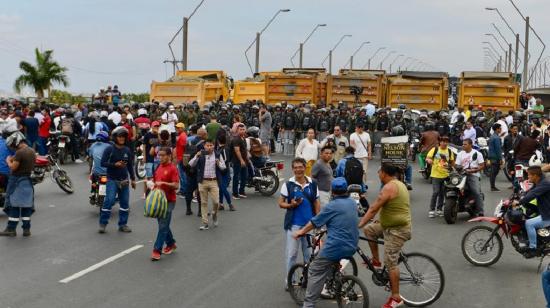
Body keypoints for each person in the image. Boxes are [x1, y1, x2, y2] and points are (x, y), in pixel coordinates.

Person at [293, 177, 359, 308]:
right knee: (329, 263)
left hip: (335, 247)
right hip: (352, 245)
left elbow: (314, 222)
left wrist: (301, 232)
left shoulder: (331, 206)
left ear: (332, 192)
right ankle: (334, 283)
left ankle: (309, 304)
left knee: (315, 269)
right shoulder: (352, 203)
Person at [359, 164, 411, 308]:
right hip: (389, 226)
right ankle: (375, 260)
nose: (378, 174)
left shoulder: (389, 187)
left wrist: (359, 224)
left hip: (397, 230)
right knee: (370, 230)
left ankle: (396, 298)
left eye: (379, 171)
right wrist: (380, 220)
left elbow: (373, 208)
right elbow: (395, 207)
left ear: (384, 173)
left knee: (390, 263)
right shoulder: (399, 184)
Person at [278, 158, 320, 289]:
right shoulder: (288, 184)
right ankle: (290, 281)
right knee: (291, 255)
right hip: (294, 226)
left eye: (300, 167)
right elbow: (280, 203)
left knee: (309, 256)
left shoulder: (312, 183)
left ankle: (306, 280)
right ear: (293, 169)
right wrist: (291, 204)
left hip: (309, 226)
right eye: (295, 167)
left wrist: (317, 221)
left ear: (305, 167)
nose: (298, 170)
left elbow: (316, 203)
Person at [98, 127, 136, 234]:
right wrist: (115, 164)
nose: (122, 138)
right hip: (112, 179)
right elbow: (103, 163)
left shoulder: (127, 150)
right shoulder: (109, 149)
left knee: (124, 203)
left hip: (124, 180)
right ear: (115, 137)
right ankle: (103, 223)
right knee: (109, 201)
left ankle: (123, 225)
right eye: (120, 136)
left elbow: (130, 166)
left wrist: (133, 179)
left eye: (123, 136)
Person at [0, 132, 36, 237]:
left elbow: (13, 167)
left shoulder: (20, 153)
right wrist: (13, 159)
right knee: (26, 205)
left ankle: (11, 229)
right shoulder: (31, 151)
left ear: (17, 142)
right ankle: (26, 229)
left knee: (13, 205)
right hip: (27, 180)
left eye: (13, 145)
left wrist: (8, 161)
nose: (13, 148)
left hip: (16, 180)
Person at [189, 139, 226, 230]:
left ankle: (214, 214)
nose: (209, 147)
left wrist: (218, 163)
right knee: (204, 203)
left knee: (216, 202)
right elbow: (191, 164)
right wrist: (196, 156)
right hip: (202, 181)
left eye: (211, 145)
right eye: (207, 145)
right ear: (204, 146)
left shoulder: (217, 154)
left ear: (214, 146)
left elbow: (223, 167)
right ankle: (205, 223)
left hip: (214, 181)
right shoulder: (200, 154)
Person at [151, 147, 179, 261]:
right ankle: (171, 243)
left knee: (163, 225)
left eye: (163, 155)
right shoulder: (158, 167)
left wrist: (164, 183)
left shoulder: (172, 169)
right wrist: (151, 185)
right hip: (158, 200)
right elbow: (154, 181)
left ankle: (156, 250)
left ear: (169, 156)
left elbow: (176, 186)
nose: (160, 157)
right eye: (159, 155)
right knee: (163, 225)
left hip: (169, 201)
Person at [518, 166, 550, 258]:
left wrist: (519, 202)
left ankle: (533, 249)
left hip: (547, 214)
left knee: (529, 224)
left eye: (529, 175)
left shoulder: (545, 184)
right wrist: (520, 195)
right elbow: (530, 191)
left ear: (535, 175)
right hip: (544, 210)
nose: (528, 177)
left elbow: (533, 194)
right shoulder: (540, 182)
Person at [426, 136, 455, 218]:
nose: (444, 143)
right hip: (435, 175)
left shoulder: (449, 151)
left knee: (442, 193)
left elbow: (452, 162)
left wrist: (453, 169)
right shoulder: (435, 149)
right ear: (440, 142)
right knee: (436, 192)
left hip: (446, 175)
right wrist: (429, 160)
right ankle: (432, 210)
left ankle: (439, 209)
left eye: (446, 141)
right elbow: (428, 158)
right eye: (443, 141)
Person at [456, 139, 485, 216]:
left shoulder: (477, 154)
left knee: (476, 192)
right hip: (462, 174)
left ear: (470, 145)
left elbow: (482, 165)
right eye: (463, 144)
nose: (463, 146)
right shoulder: (460, 154)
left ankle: (480, 211)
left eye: (465, 144)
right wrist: (458, 168)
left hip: (473, 175)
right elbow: (457, 165)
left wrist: (474, 170)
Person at [217, 133, 235, 211]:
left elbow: (225, 160)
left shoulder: (222, 149)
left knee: (223, 188)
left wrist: (218, 163)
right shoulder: (226, 148)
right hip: (225, 170)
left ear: (218, 141)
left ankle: (230, 204)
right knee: (221, 188)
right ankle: (221, 204)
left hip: (223, 171)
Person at [142, 121, 160, 199]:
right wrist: (144, 156)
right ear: (152, 127)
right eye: (155, 126)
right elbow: (144, 145)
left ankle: (154, 192)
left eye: (157, 126)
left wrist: (158, 133)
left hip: (157, 159)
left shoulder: (159, 135)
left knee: (156, 176)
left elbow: (161, 141)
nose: (156, 127)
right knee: (148, 176)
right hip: (149, 157)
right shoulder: (147, 135)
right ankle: (145, 193)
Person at [231, 124, 248, 199]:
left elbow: (245, 150)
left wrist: (247, 159)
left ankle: (241, 191)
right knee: (236, 177)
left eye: (243, 129)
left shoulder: (243, 138)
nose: (242, 131)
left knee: (244, 176)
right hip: (237, 161)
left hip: (244, 161)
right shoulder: (236, 139)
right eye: (241, 129)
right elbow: (237, 151)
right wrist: (241, 160)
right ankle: (235, 193)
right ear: (237, 130)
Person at [488, 123, 503, 191]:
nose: (501, 129)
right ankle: (492, 186)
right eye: (500, 128)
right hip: (495, 157)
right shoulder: (496, 138)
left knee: (493, 172)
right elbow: (498, 149)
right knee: (494, 172)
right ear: (497, 129)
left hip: (492, 156)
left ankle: (492, 186)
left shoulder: (492, 136)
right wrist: (500, 158)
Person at [175, 123, 187, 197]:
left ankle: (184, 190)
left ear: (182, 128)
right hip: (181, 157)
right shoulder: (182, 135)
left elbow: (184, 147)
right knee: (182, 175)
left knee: (182, 175)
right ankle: (183, 189)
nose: (177, 129)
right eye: (177, 128)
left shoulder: (182, 136)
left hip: (181, 158)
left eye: (179, 128)